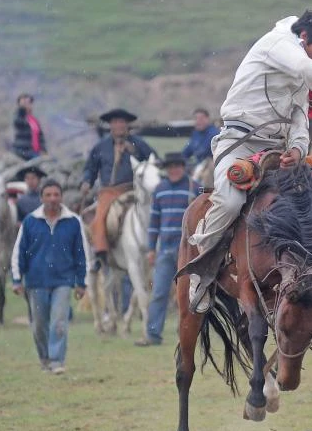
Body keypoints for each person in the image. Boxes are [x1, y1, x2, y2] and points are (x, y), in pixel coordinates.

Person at [185, 11, 312, 312]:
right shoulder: (279, 45)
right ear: (305, 38)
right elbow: (308, 68)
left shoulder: (302, 69)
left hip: (279, 149)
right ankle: (201, 272)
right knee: (230, 202)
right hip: (239, 142)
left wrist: (298, 149)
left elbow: (299, 115)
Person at [12, 180, 90, 374]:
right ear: (41, 198)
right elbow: (19, 251)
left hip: (63, 281)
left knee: (59, 322)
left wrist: (82, 283)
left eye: (56, 194)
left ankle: (56, 361)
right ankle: (44, 359)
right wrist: (16, 279)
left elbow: (82, 253)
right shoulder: (30, 221)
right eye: (48, 195)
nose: (53, 199)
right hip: (36, 281)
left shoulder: (73, 221)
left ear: (61, 197)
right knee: (39, 325)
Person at [80, 108, 157, 268]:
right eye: (115, 122)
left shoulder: (138, 143)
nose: (119, 125)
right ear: (110, 125)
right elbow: (90, 168)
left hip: (134, 190)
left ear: (128, 125)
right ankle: (99, 254)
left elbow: (154, 161)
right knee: (99, 218)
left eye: (122, 122)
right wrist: (87, 181)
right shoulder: (100, 147)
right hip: (109, 192)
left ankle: (156, 248)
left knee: (153, 213)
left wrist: (134, 152)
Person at [139, 153, 200, 346]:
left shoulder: (194, 187)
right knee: (159, 292)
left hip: (189, 250)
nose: (173, 169)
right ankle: (152, 334)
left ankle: (188, 334)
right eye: (170, 166)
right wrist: (151, 248)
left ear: (183, 167)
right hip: (165, 249)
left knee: (190, 294)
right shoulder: (159, 190)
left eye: (177, 165)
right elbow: (154, 221)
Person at [12, 93, 47, 160]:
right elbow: (17, 122)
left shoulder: (34, 120)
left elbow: (40, 137)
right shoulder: (19, 117)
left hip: (35, 151)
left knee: (52, 161)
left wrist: (43, 150)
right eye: (25, 103)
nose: (28, 104)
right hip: (23, 151)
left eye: (29, 102)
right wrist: (22, 109)